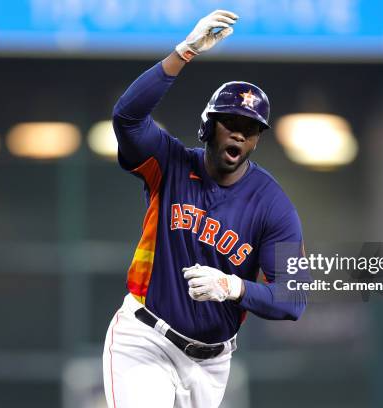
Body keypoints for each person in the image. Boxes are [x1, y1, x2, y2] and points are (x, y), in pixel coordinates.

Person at [102, 10, 308, 408]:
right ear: (207, 126)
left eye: (250, 128)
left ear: (256, 141)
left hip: (212, 364)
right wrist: (185, 51)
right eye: (229, 121)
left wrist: (233, 287)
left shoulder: (273, 206)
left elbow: (294, 298)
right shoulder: (170, 163)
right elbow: (126, 118)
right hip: (146, 340)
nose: (239, 132)